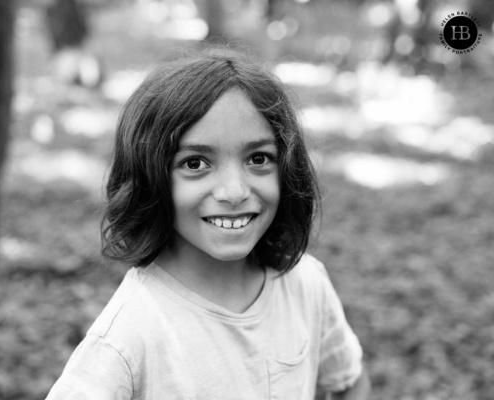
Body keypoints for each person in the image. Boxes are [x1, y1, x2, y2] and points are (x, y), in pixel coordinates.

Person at [46, 49, 371, 400]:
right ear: (150, 177)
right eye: (196, 163)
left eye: (258, 158)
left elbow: (349, 381)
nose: (233, 192)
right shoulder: (127, 339)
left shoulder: (305, 284)